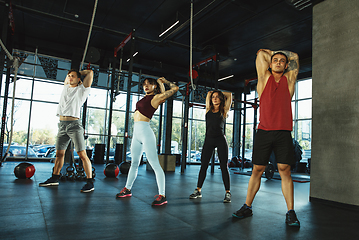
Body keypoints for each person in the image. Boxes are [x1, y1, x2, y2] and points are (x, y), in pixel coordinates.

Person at [232, 49, 300, 227]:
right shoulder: (263, 78)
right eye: (275, 60)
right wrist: (271, 53)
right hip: (264, 131)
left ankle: (291, 212)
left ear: (286, 66)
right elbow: (261, 53)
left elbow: (296, 57)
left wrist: (280, 54)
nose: (278, 62)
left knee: (284, 169)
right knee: (257, 170)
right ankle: (247, 207)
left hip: (283, 132)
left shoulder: (289, 80)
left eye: (282, 61)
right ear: (270, 64)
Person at [116, 77, 179, 206]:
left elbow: (175, 88)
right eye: (144, 84)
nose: (146, 86)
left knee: (154, 164)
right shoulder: (144, 98)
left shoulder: (155, 98)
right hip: (136, 133)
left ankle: (162, 195)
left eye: (149, 84)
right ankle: (127, 189)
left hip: (146, 132)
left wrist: (165, 82)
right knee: (134, 163)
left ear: (154, 86)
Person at [39, 69, 94, 193]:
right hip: (62, 125)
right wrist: (73, 74)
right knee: (59, 154)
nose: (70, 78)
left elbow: (90, 73)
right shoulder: (65, 87)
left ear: (79, 79)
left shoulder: (82, 90)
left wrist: (80, 72)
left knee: (82, 155)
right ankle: (54, 178)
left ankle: (90, 182)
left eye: (73, 76)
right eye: (69, 76)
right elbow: (68, 79)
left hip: (74, 125)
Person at [189, 90, 232, 203]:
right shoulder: (208, 109)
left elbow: (230, 95)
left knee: (223, 167)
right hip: (209, 140)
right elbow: (208, 94)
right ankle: (198, 190)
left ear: (221, 99)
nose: (215, 98)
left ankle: (227, 192)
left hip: (220, 140)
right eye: (213, 97)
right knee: (203, 166)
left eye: (217, 97)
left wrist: (219, 92)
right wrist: (211, 93)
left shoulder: (224, 110)